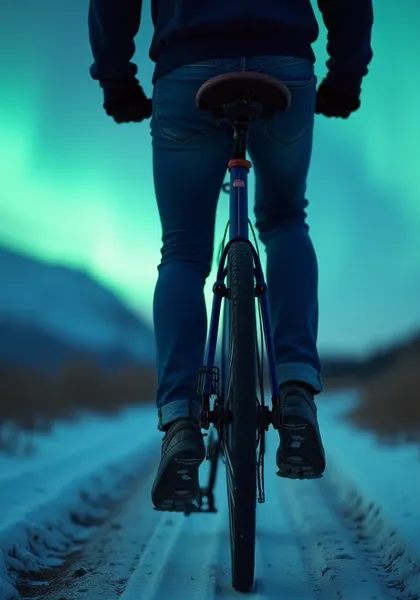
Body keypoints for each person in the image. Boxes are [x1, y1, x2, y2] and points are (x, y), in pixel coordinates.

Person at [88, 0, 374, 512]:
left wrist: (116, 79)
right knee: (285, 220)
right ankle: (296, 393)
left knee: (182, 250)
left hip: (186, 69)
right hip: (282, 61)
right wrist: (345, 75)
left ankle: (179, 420)